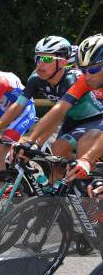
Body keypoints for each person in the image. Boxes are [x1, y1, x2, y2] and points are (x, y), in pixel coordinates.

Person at [15, 34, 103, 180]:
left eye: (93, 70)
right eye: (83, 70)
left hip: (94, 121)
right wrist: (31, 142)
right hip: (82, 122)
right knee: (56, 150)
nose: (87, 77)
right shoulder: (83, 81)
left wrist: (86, 160)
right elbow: (59, 109)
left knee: (87, 142)